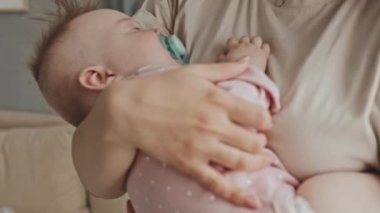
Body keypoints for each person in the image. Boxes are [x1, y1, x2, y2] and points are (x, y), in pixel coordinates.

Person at [33, 0, 380, 212]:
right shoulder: (162, 41)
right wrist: (248, 68)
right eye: (134, 28)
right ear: (99, 77)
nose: (154, 34)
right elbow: (96, 172)